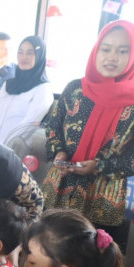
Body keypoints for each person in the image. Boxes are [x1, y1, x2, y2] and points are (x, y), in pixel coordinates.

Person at [41, 20, 134, 253]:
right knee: (53, 254)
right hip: (61, 189)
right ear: (96, 50)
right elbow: (53, 127)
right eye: (106, 48)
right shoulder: (74, 89)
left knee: (96, 264)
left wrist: (98, 165)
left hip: (103, 199)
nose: (112, 56)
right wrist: (58, 152)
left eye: (123, 51)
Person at [0, 36, 53, 144]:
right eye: (20, 52)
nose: (24, 57)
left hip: (17, 152)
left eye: (30, 53)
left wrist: (3, 148)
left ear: (39, 56)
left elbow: (28, 126)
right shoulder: (8, 84)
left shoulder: (43, 89)